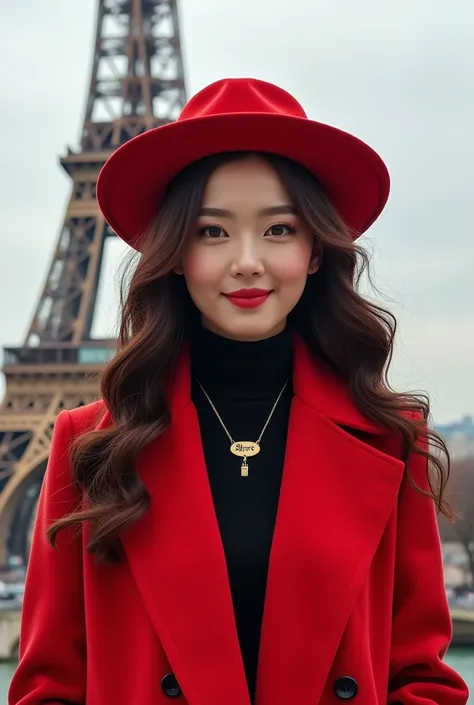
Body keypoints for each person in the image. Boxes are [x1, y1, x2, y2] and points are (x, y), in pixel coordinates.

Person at [9, 78, 469, 705]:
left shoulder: (394, 440)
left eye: (279, 229)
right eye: (211, 232)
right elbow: (49, 686)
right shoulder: (85, 445)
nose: (247, 260)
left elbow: (421, 677)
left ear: (314, 250)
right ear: (173, 254)